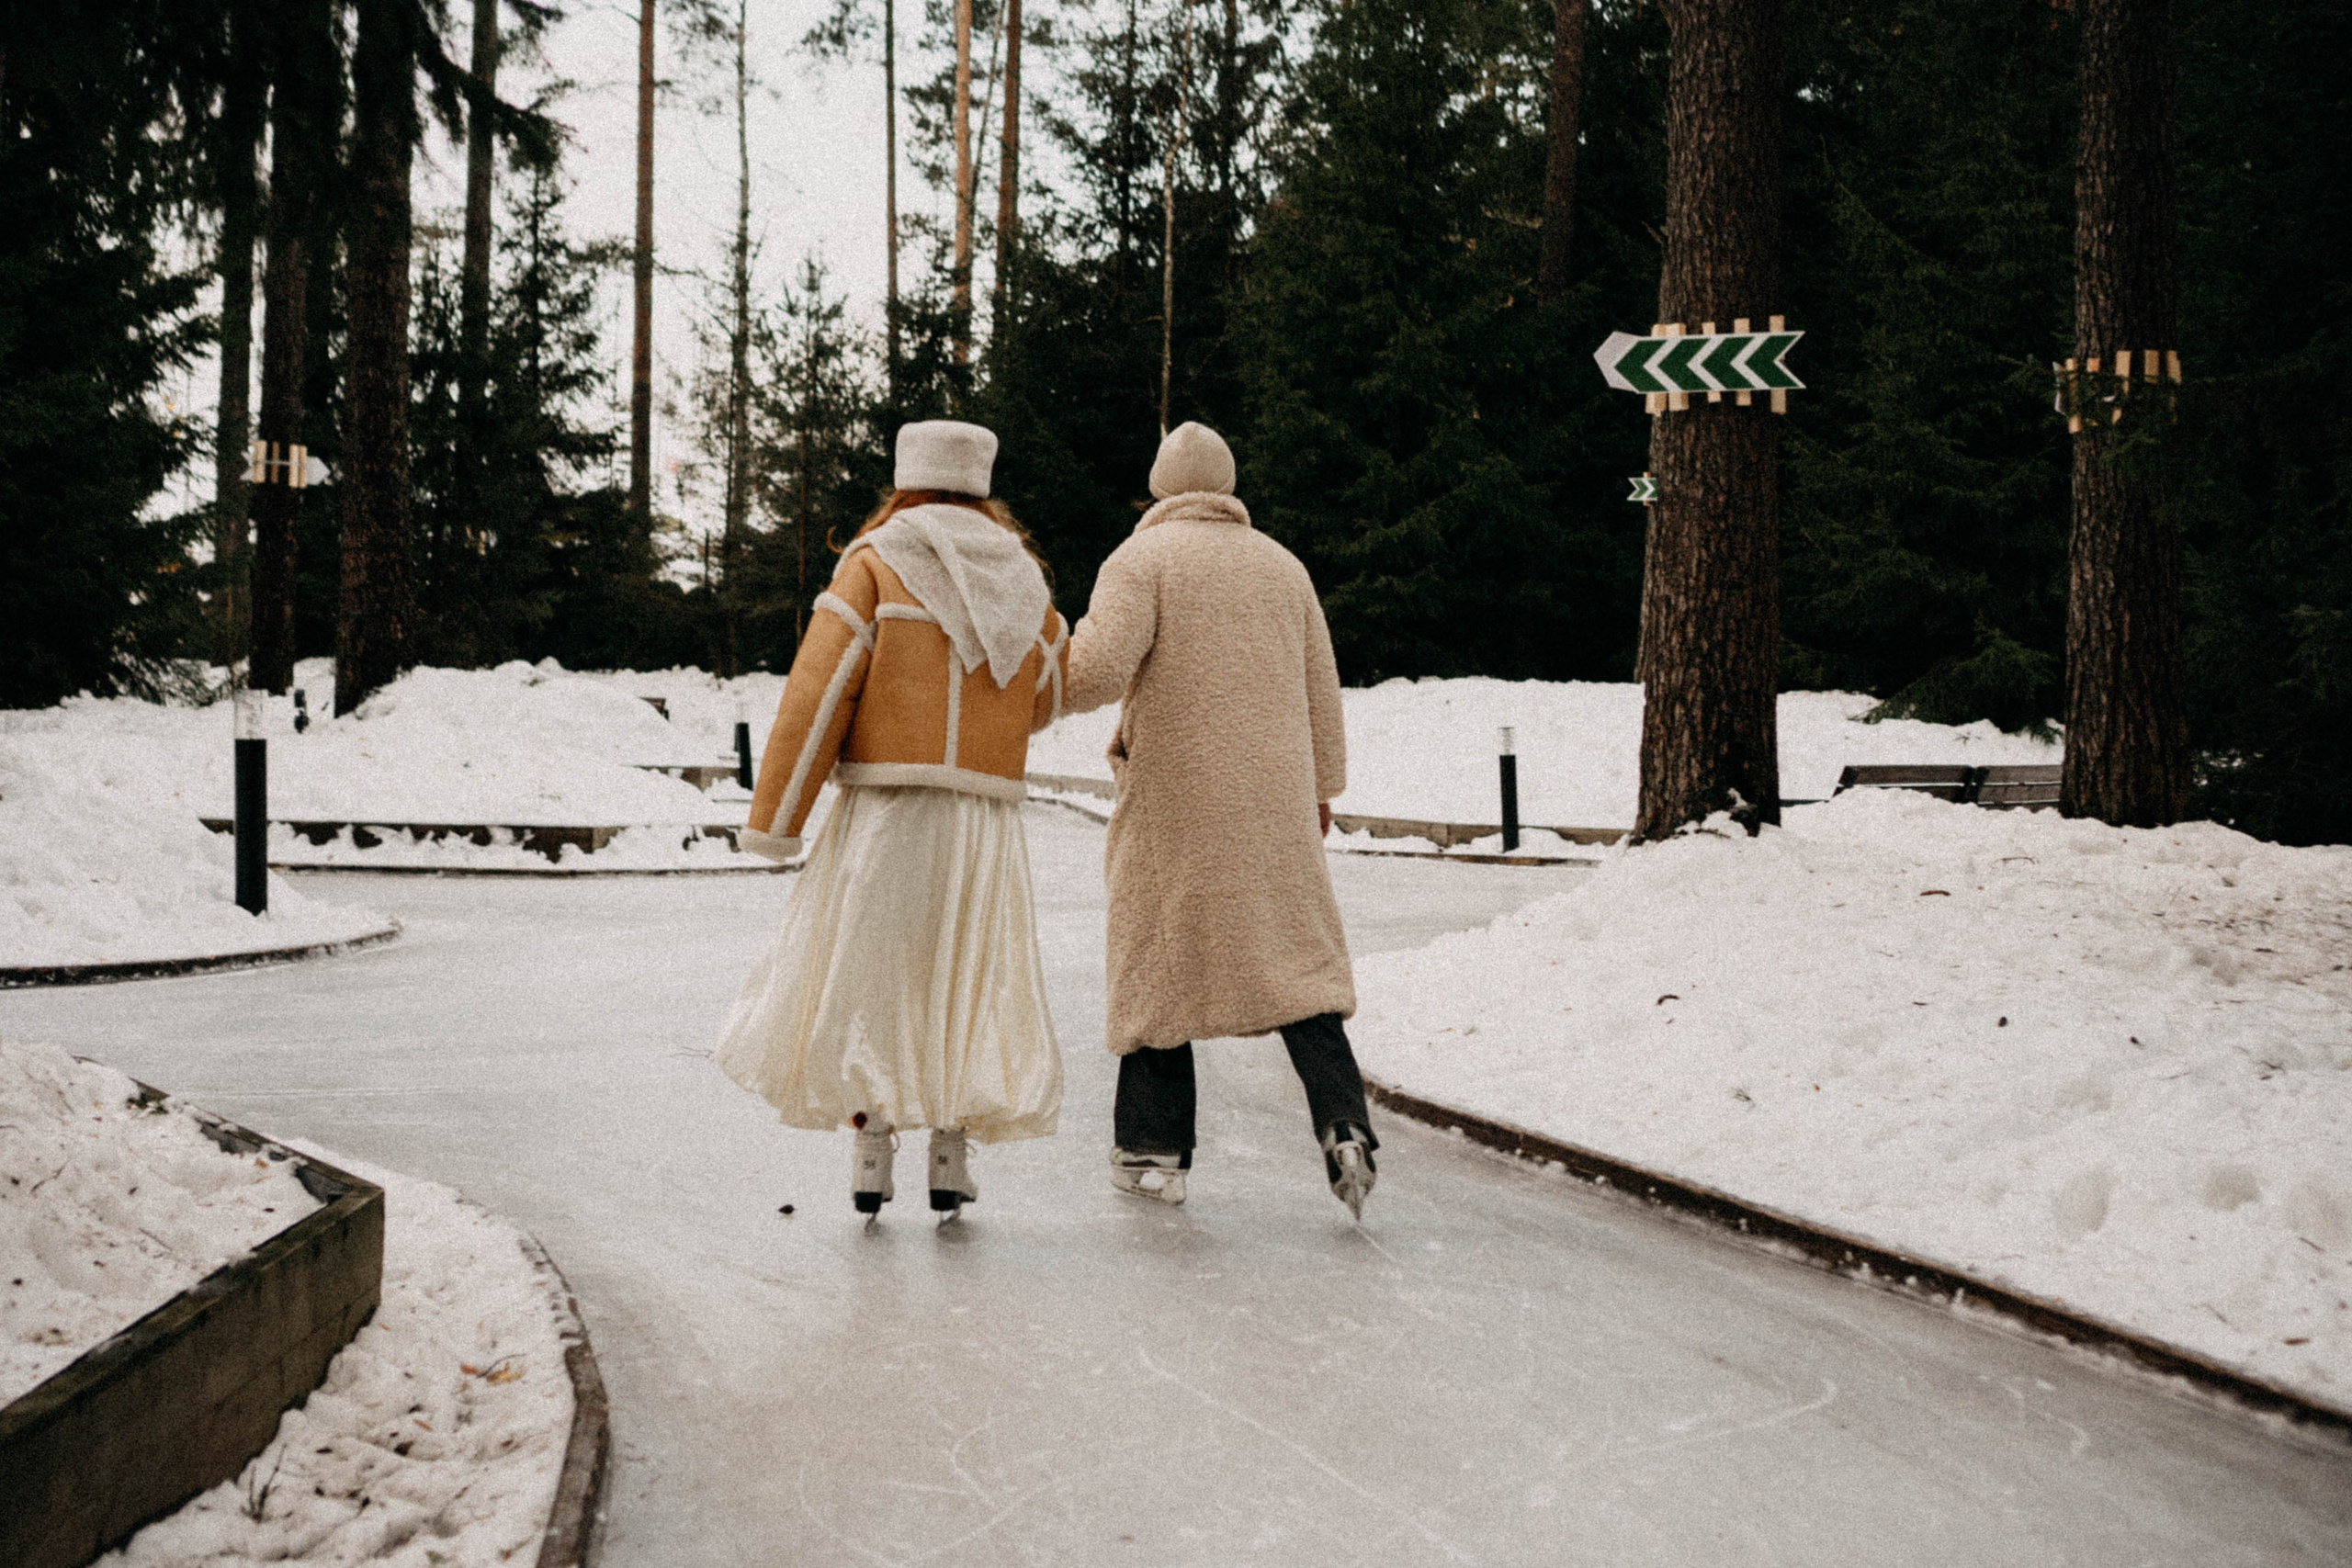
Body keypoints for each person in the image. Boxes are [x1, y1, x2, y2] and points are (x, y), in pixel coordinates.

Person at [717, 421, 1069, 1224]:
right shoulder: (1022, 579)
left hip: (887, 809)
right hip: (982, 820)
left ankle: (872, 1149)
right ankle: (951, 1154)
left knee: (879, 977)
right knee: (961, 976)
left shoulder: (875, 565)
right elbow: (1046, 692)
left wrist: (777, 818)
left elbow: (820, 691)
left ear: (905, 479)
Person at [1063, 421, 1378, 1218]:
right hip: (1274, 801)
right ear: (1227, 485)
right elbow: (1321, 690)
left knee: (1158, 966)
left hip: (1175, 802)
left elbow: (1095, 670)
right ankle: (1344, 1122)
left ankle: (1152, 1148)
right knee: (1297, 967)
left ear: (1162, 486)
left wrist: (1024, 679)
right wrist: (1323, 790)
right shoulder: (1283, 566)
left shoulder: (1141, 561)